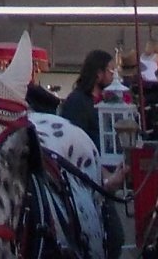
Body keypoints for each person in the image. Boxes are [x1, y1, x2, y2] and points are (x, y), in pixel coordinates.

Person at [58, 51, 127, 258]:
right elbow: (77, 147)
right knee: (113, 237)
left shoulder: (103, 102)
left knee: (113, 238)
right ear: (98, 74)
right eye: (110, 70)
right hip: (86, 184)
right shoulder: (77, 103)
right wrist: (105, 176)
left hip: (104, 182)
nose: (113, 74)